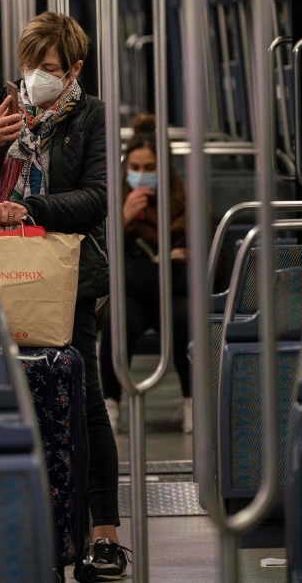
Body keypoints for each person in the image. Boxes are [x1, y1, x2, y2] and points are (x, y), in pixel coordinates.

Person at [0, 12, 130, 578]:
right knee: (2, 397)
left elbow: (98, 198)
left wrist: (33, 208)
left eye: (48, 67)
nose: (35, 76)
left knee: (83, 396)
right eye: (30, 64)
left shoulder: (92, 117)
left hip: (64, 273)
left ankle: (104, 534)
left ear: (73, 69)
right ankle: (20, 525)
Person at [99, 114, 193, 434]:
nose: (141, 176)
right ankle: (111, 402)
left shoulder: (184, 202)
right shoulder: (113, 202)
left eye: (149, 169)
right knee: (117, 317)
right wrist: (122, 220)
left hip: (174, 293)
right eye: (135, 169)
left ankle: (191, 400)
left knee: (185, 318)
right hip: (132, 294)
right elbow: (99, 257)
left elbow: (212, 259)